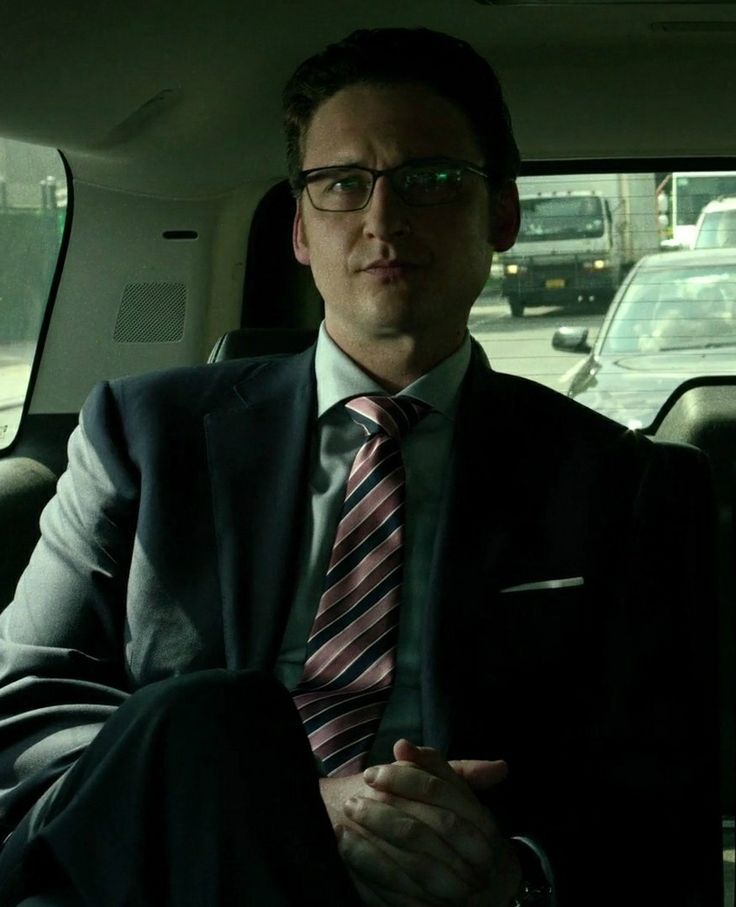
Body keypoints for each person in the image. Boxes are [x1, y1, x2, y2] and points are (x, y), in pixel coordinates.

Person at [0, 27, 721, 907]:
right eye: (344, 184)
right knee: (209, 718)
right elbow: (27, 697)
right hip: (174, 870)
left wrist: (514, 876)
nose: (384, 219)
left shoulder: (623, 485)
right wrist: (274, 804)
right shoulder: (146, 435)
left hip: (449, 893)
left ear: (502, 214)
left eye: (430, 179)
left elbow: (668, 792)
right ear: (301, 227)